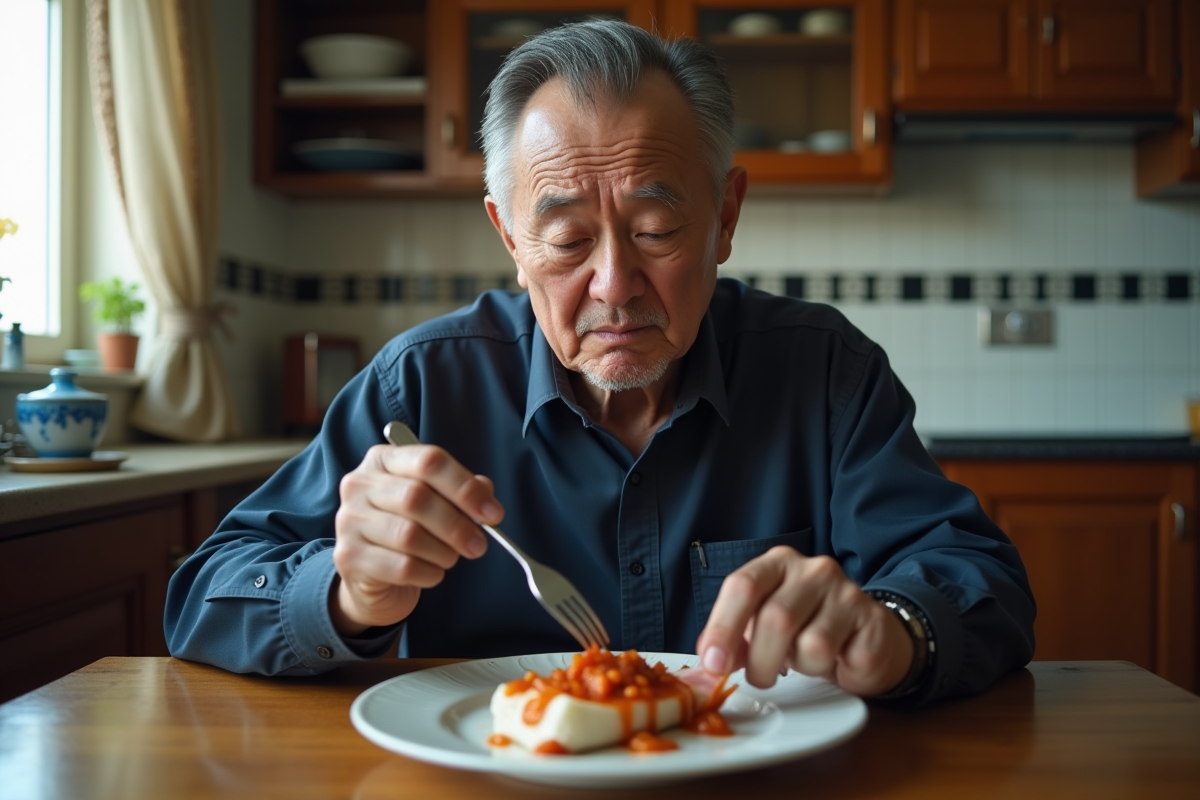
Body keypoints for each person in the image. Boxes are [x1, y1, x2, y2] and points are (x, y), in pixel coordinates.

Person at [165, 20, 1034, 705]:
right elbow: (202, 595)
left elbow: (982, 578)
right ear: (510, 237)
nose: (614, 286)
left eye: (657, 232)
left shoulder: (826, 373)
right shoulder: (422, 386)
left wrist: (897, 631)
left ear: (725, 217)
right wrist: (346, 593)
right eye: (568, 237)